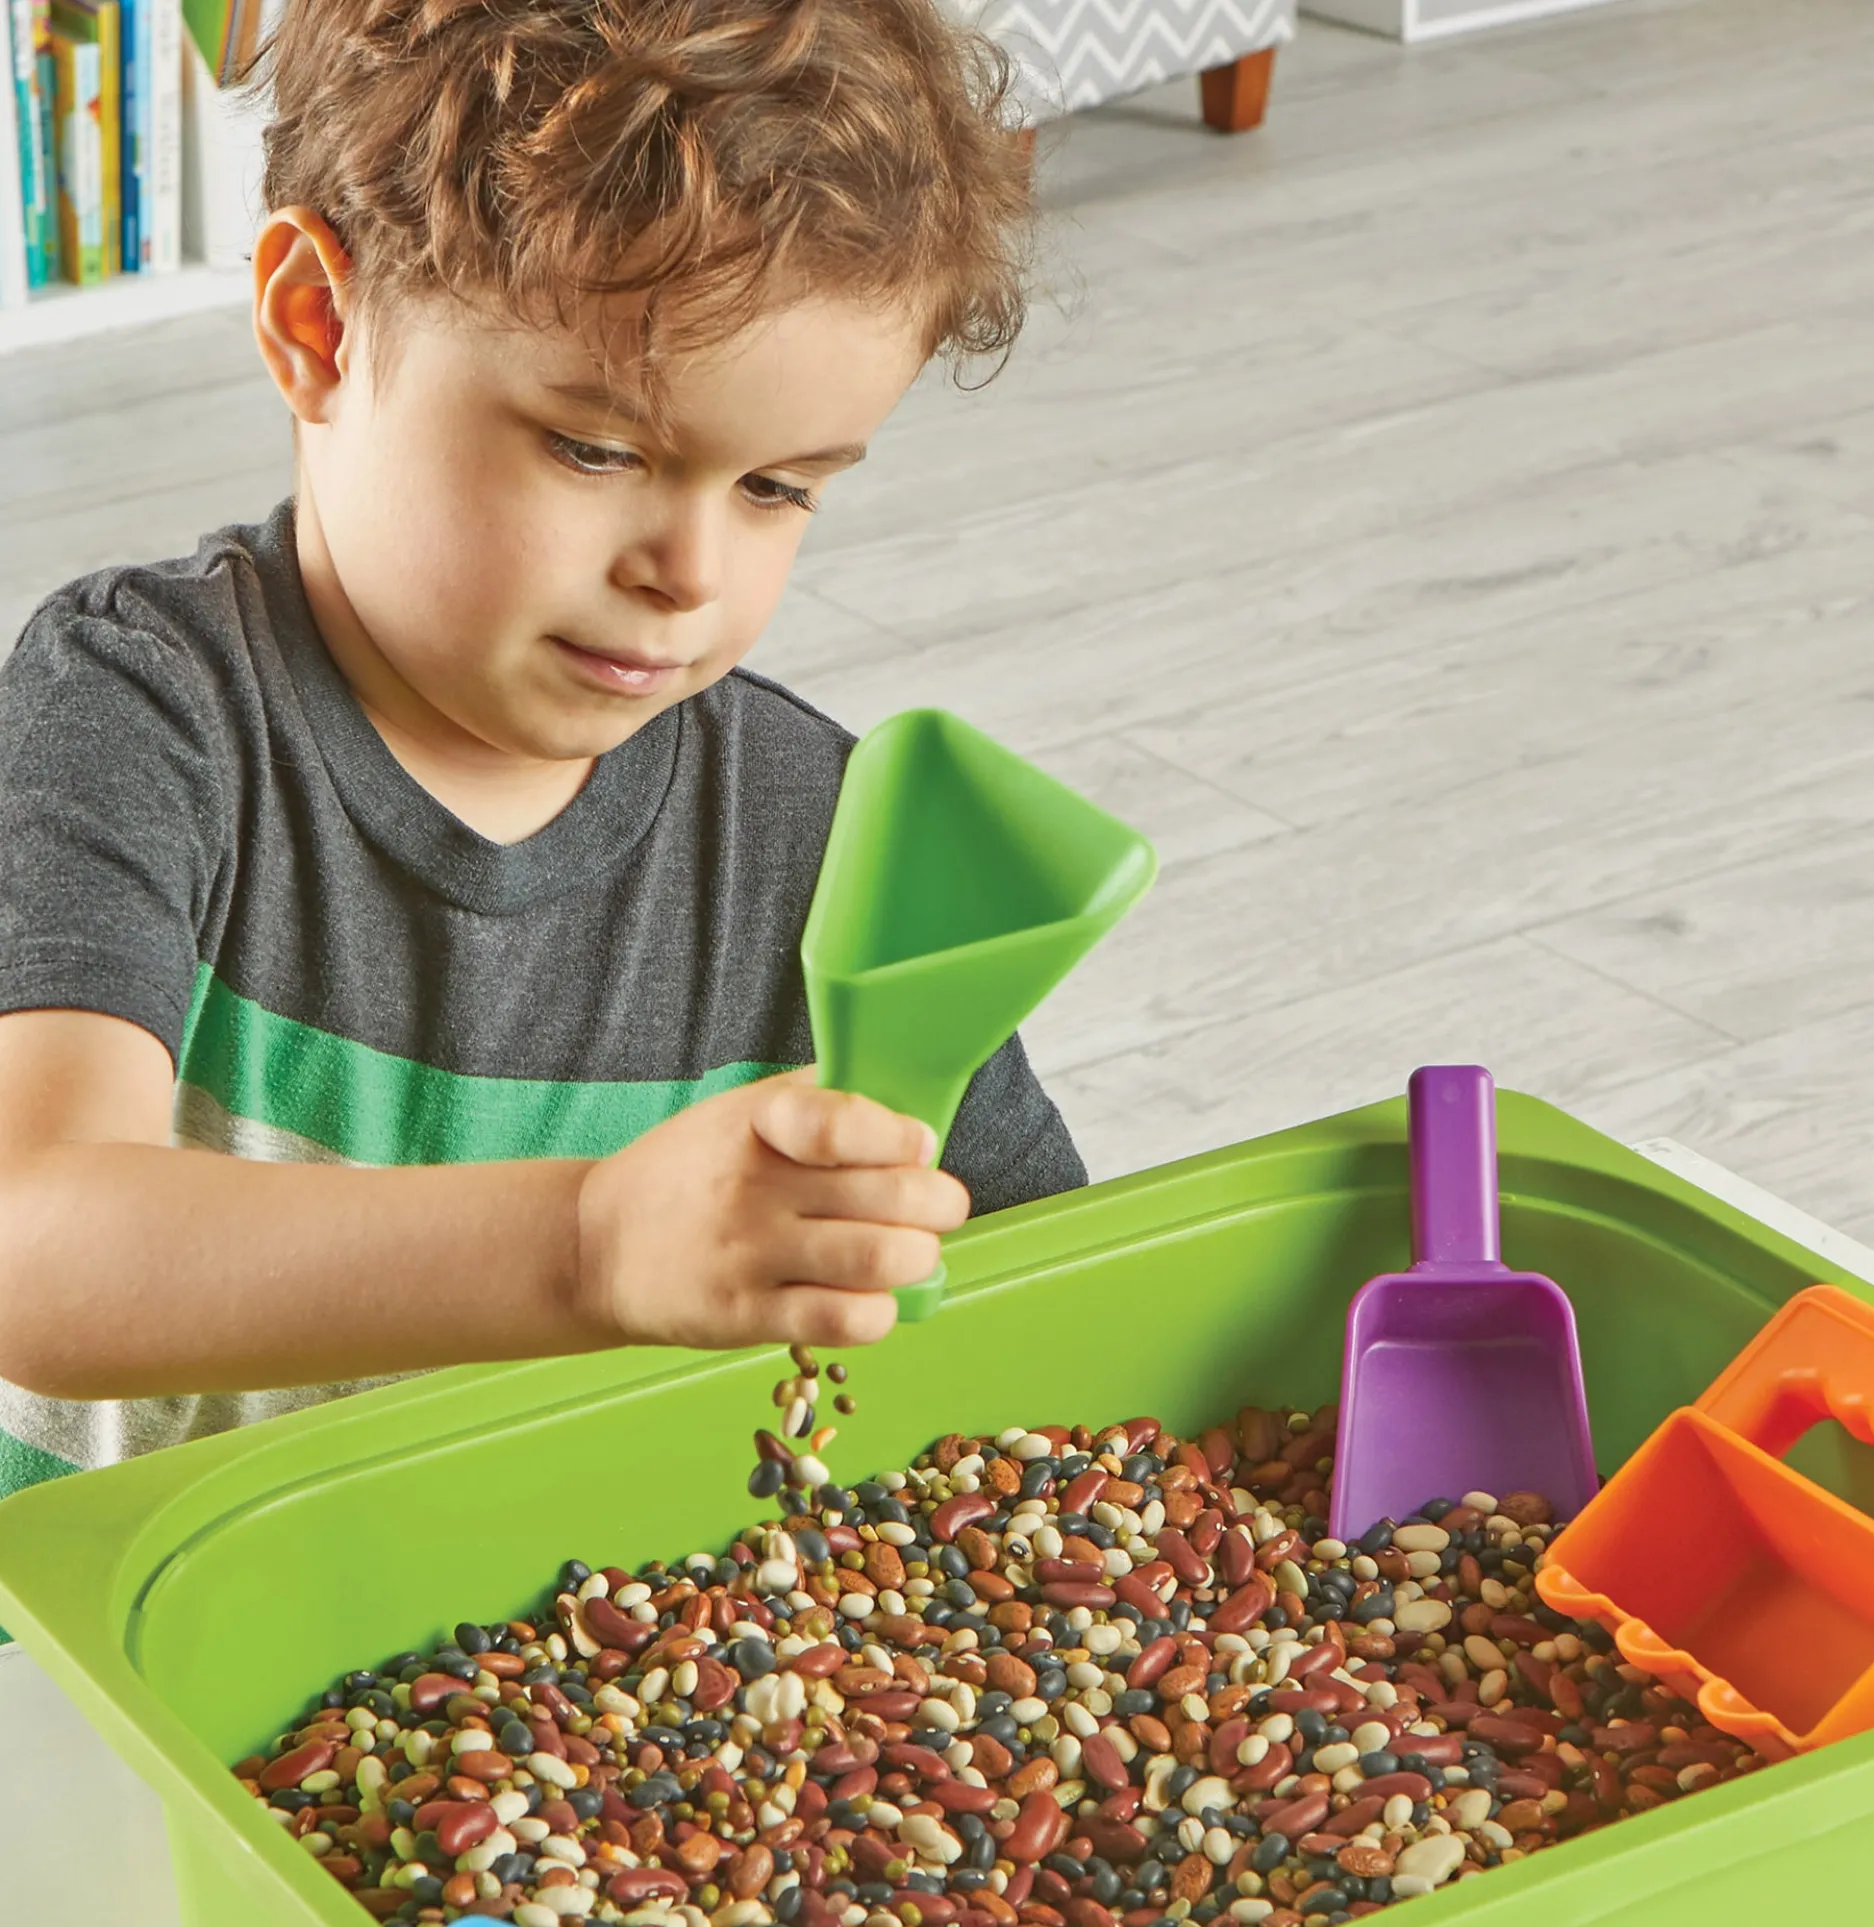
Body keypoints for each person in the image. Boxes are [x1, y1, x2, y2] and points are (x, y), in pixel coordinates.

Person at [0, 0, 1084, 1519]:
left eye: (777, 487)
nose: (689, 572)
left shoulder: (822, 838)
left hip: (554, 1622)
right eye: (596, 449)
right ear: (317, 324)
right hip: (95, 1623)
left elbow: (1044, 1286)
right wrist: (586, 1244)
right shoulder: (138, 708)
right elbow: (32, 1252)